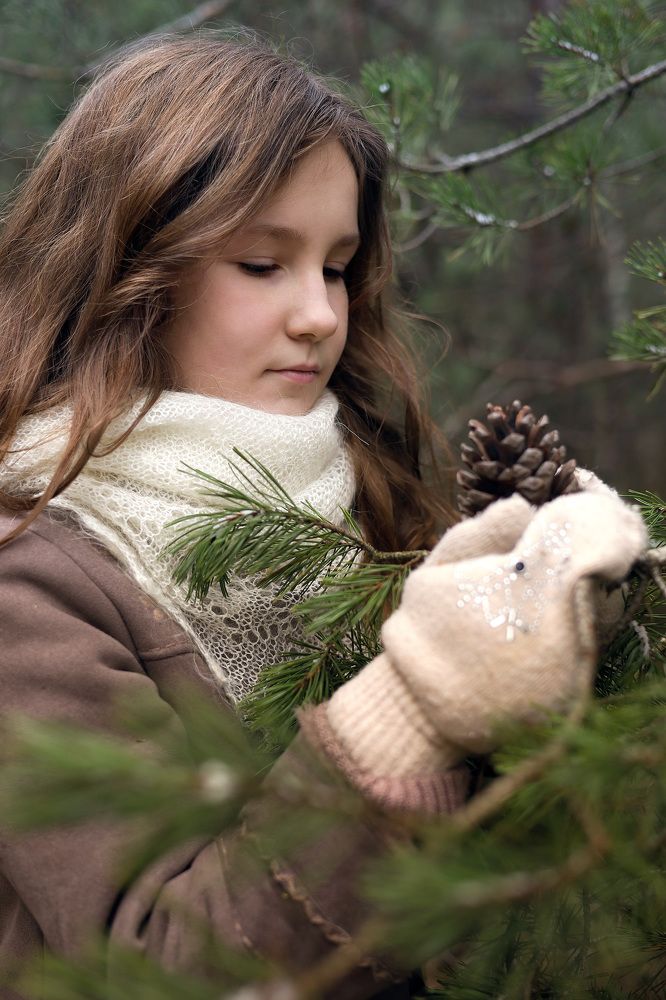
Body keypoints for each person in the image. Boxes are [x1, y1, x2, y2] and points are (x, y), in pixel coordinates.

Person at [0, 33, 647, 1000]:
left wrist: (574, 635)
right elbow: (159, 968)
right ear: (128, 272)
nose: (319, 315)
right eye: (263, 264)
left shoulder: (368, 493)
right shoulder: (32, 580)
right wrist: (409, 709)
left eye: (338, 267)